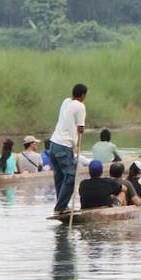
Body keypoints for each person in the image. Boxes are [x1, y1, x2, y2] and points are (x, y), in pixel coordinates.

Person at [50, 84, 88, 214]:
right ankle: (60, 207)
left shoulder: (66, 101)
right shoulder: (80, 106)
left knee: (59, 176)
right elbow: (80, 128)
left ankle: (62, 206)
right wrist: (78, 138)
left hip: (53, 144)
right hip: (64, 146)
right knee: (71, 176)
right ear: (83, 95)